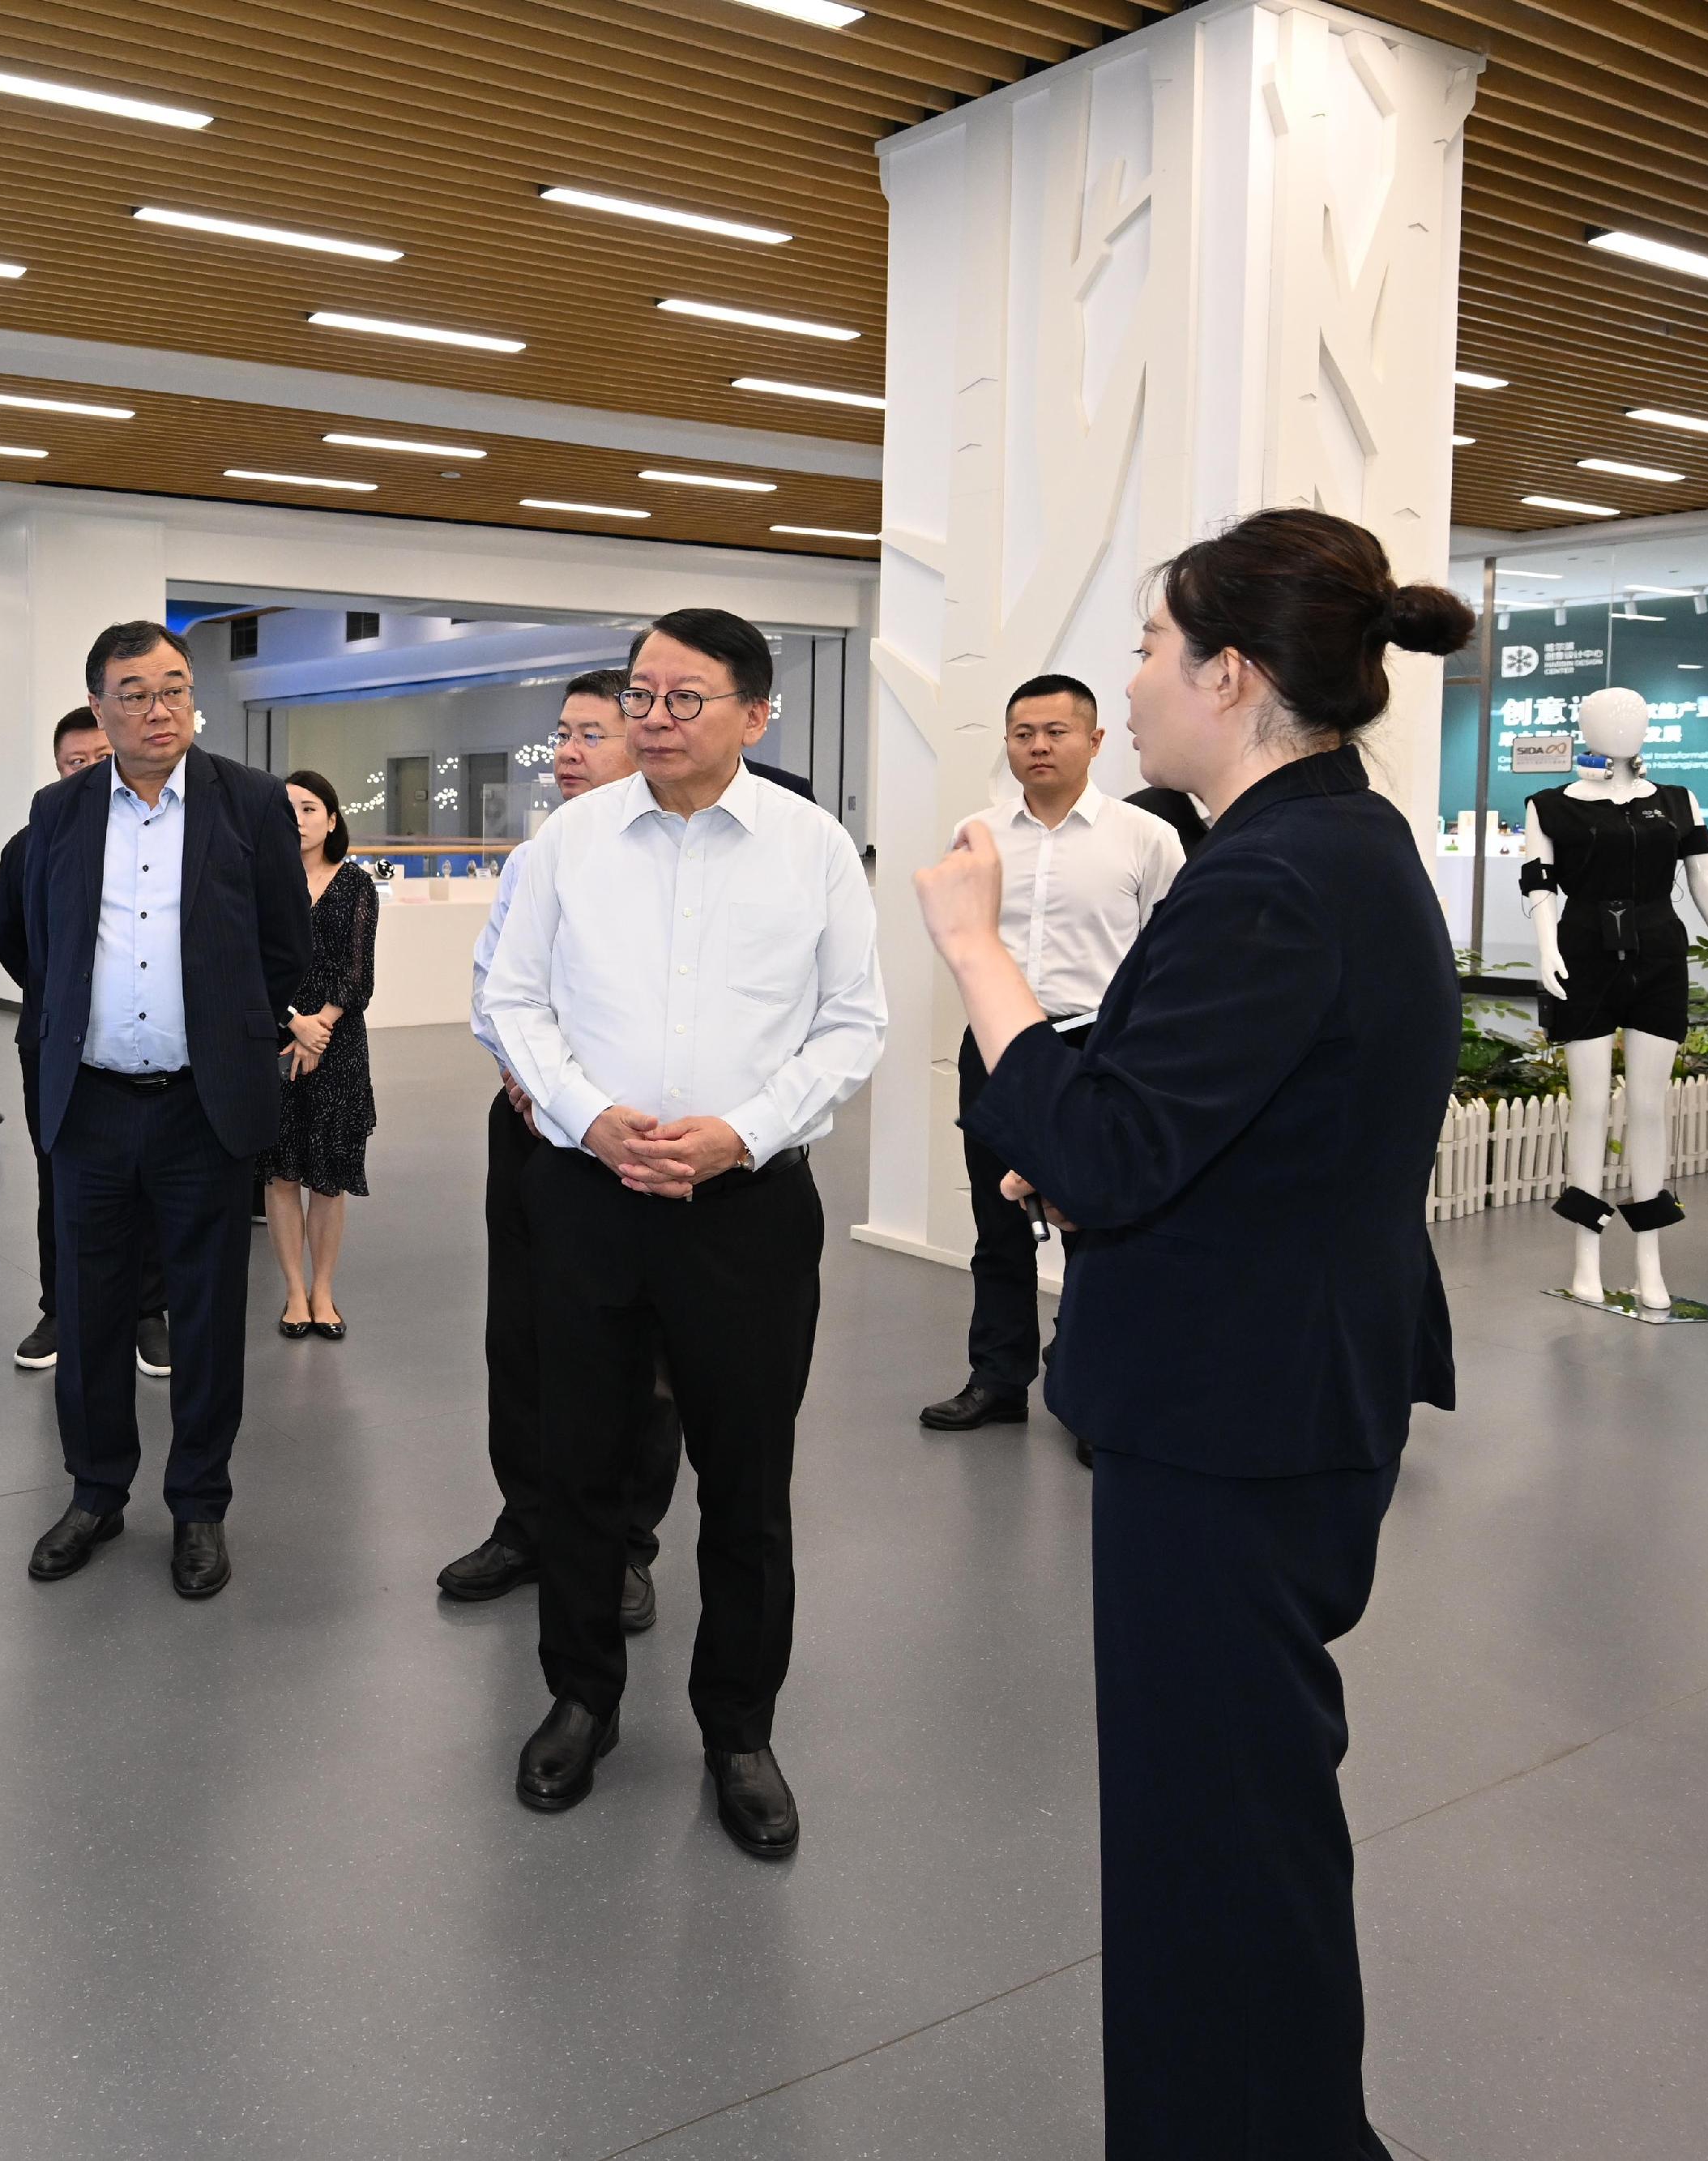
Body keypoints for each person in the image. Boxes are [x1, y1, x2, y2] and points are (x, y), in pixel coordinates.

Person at [912, 506, 1471, 2160]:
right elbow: (1213, 1127)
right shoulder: (1316, 845)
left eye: (1149, 651)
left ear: (1229, 675)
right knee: (1231, 1824)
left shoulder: (1272, 878)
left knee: (1209, 1844)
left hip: (1234, 1420)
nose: (1130, 685)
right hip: (1268, 1382)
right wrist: (1098, 1157)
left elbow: (1108, 1143)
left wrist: (969, 938)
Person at [479, 607, 886, 1839]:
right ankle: (582, 1697)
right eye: (642, 695)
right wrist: (593, 1116)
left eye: (683, 697)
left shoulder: (812, 848)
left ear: (756, 714)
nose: (653, 717)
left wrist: (743, 1131)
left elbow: (851, 1023)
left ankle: (740, 1728)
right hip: (589, 1196)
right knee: (581, 1463)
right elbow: (513, 996)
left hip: (746, 1209)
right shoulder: (570, 840)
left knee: (747, 1480)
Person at [18, 621, 308, 1599]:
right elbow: (36, 943)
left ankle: (198, 1505)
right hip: (90, 1105)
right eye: (135, 693)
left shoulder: (251, 804)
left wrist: (234, 1041)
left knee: (206, 1315)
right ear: (98, 705)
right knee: (91, 1311)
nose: (159, 709)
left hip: (202, 1108)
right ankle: (96, 1494)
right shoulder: (56, 812)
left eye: (174, 688)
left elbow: (284, 949)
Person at [441, 669, 680, 1635]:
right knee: (524, 1339)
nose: (568, 754)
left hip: (635, 1143)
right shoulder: (541, 855)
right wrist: (520, 1074)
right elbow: (494, 983)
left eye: (592, 734)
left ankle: (624, 1543)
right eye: (563, 734)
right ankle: (530, 1521)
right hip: (535, 1133)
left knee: (640, 1354)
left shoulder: (669, 861)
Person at [919, 676, 1184, 1445]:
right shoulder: (978, 833)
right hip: (997, 1047)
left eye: (1056, 731)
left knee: (1094, 1228)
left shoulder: (1145, 838)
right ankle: (997, 1379)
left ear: (1095, 742)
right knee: (995, 1221)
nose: (1037, 745)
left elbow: (1166, 955)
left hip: (1096, 1046)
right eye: (1022, 732)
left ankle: (1088, 1389)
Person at [0, 707, 170, 1378]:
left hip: (148, 1042)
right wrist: (59, 995)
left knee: (149, 1177)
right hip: (57, 1046)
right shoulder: (30, 842)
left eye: (100, 757)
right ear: (59, 770)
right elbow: (11, 936)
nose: (89, 770)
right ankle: (60, 1307)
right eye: (75, 763)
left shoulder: (157, 842)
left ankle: (148, 1310)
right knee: (58, 1178)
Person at [263, 771, 378, 1339]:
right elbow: (250, 963)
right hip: (278, 1034)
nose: (300, 819)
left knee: (328, 1176)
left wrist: (320, 1027)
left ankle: (323, 1290)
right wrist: (293, 1022)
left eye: (310, 809)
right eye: (289, 810)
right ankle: (292, 1291)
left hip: (337, 1043)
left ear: (332, 819)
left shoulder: (357, 885)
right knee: (282, 1173)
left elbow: (359, 972)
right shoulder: (264, 879)